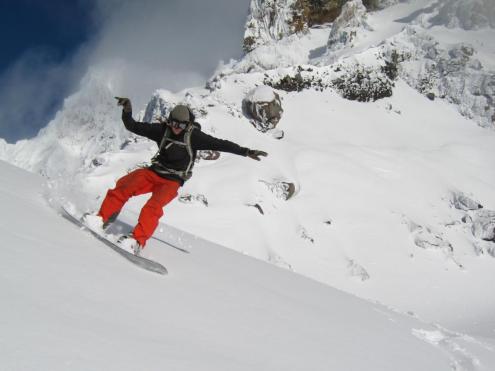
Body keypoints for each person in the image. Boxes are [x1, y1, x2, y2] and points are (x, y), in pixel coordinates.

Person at [86, 97, 267, 255]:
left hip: (172, 182)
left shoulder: (194, 137)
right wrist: (127, 111)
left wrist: (246, 152)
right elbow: (133, 126)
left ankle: (136, 241)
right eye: (173, 123)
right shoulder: (162, 130)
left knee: (153, 207)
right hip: (154, 172)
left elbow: (221, 144)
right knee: (125, 185)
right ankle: (101, 218)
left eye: (181, 125)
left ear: (187, 124)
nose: (176, 128)